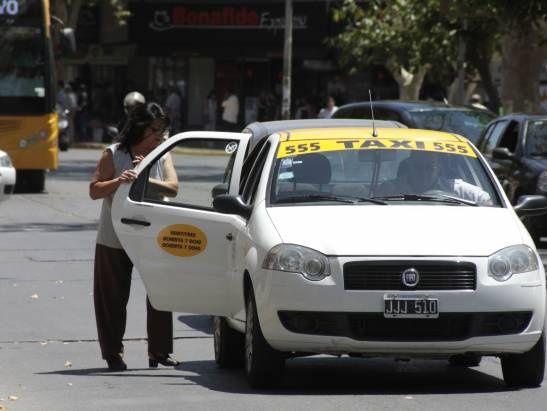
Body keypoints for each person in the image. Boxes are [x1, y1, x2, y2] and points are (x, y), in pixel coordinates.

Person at [89, 102, 179, 371]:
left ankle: (160, 351)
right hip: (114, 236)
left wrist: (143, 178)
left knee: (160, 293)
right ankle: (112, 353)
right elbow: (94, 190)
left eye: (163, 131)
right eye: (154, 130)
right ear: (139, 127)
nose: (159, 137)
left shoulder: (163, 155)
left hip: (153, 235)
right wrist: (119, 181)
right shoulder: (114, 153)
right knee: (112, 298)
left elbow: (173, 188)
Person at [376, 151, 492, 206]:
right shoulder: (389, 190)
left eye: (429, 167)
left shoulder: (457, 190)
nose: (423, 173)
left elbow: (486, 201)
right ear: (409, 166)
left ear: (438, 169)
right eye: (418, 167)